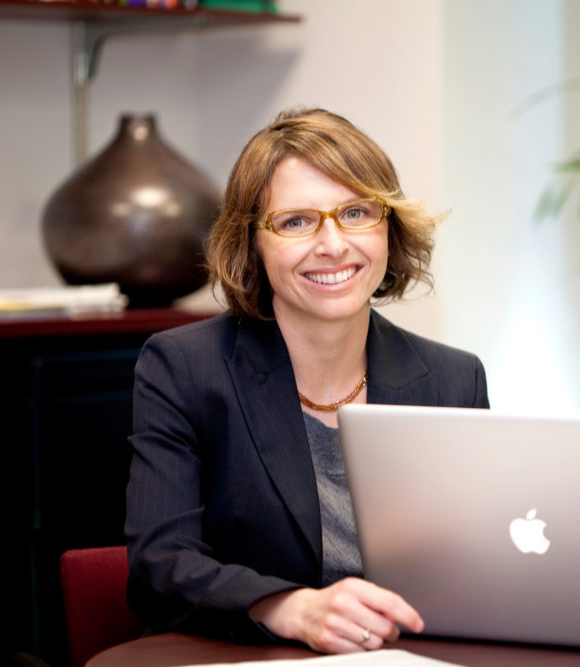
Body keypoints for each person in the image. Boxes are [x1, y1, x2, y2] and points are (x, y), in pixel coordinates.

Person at [125, 107, 489, 654]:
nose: (334, 244)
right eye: (296, 221)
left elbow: (484, 561)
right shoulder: (184, 368)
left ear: (389, 227)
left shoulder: (454, 380)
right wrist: (291, 608)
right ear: (252, 244)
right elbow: (160, 566)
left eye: (356, 213)